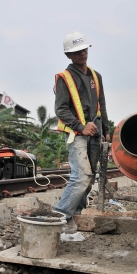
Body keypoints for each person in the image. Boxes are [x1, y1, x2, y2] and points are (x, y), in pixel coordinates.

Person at [53, 31, 110, 234]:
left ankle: (75, 216)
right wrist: (80, 126)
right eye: (77, 52)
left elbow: (101, 104)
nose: (82, 54)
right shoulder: (65, 78)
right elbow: (60, 109)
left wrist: (106, 131)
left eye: (84, 50)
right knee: (82, 177)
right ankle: (58, 217)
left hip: (95, 134)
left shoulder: (96, 76)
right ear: (69, 55)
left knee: (89, 178)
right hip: (76, 135)